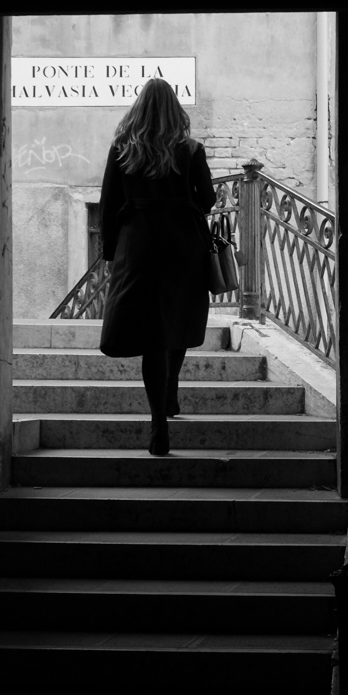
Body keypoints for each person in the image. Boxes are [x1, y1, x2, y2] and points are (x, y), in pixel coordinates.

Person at [95, 78, 216, 456]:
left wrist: (111, 253)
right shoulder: (190, 149)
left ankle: (158, 424)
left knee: (152, 336)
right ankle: (172, 388)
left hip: (140, 246)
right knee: (176, 319)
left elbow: (108, 204)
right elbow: (208, 200)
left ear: (139, 108)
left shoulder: (123, 148)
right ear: (174, 110)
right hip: (183, 245)